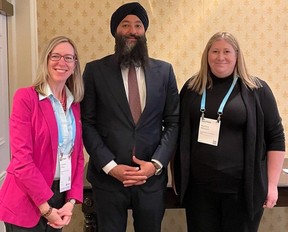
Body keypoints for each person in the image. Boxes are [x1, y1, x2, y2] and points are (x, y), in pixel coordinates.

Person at [80, 2, 179, 232]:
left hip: (150, 180)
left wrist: (155, 165)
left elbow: (173, 122)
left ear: (144, 32)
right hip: (108, 181)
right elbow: (87, 122)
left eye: (138, 25)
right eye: (125, 25)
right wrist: (110, 166)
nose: (132, 30)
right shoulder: (95, 71)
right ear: (115, 31)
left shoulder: (164, 72)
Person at [173, 31, 285, 232]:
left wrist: (272, 185)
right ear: (206, 55)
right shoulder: (191, 88)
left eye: (227, 51)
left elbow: (276, 138)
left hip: (242, 192)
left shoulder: (257, 89)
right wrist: (175, 176)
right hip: (200, 192)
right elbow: (177, 132)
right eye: (215, 51)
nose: (220, 57)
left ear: (237, 56)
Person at [0, 36, 85, 231]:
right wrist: (46, 208)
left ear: (75, 65)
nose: (61, 62)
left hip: (60, 196)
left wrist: (70, 201)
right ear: (46, 60)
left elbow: (77, 156)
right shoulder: (26, 98)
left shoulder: (75, 104)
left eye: (68, 58)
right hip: (27, 199)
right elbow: (22, 160)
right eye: (55, 56)